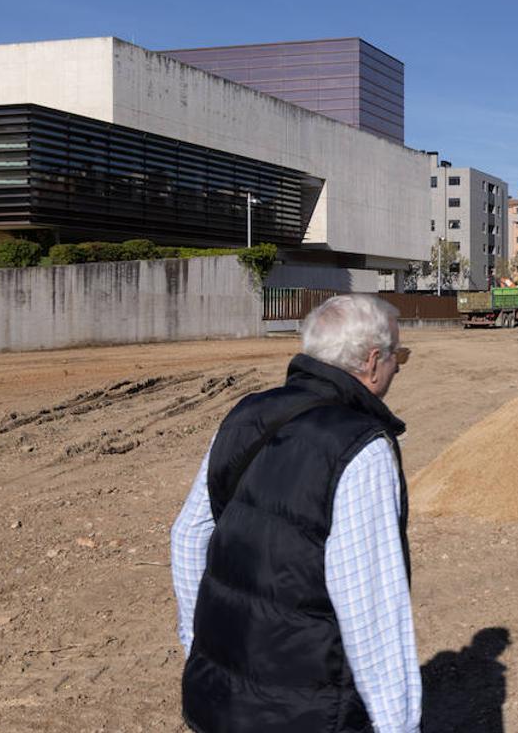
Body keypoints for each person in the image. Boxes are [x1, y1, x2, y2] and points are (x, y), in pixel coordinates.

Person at [171, 294, 420, 733]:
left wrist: (201, 650)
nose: (399, 366)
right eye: (398, 355)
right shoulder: (361, 447)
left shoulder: (246, 413)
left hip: (219, 703)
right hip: (309, 714)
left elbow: (189, 537)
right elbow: (372, 612)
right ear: (373, 361)